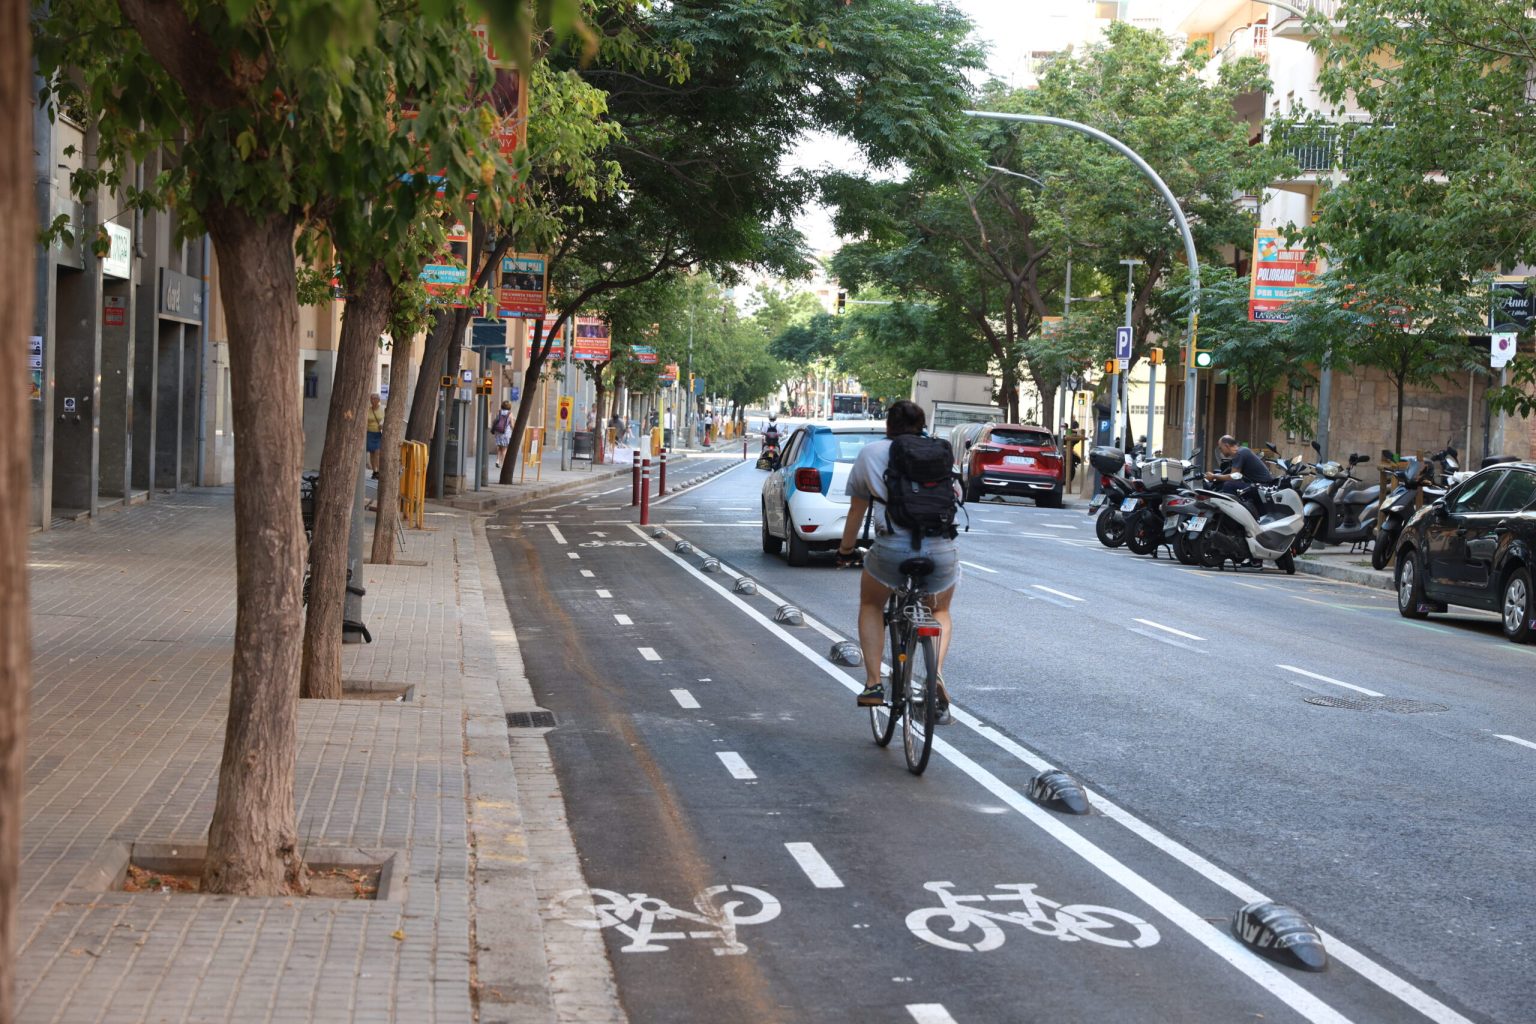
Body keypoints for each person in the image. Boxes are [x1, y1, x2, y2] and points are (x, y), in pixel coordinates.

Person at [836, 400, 960, 725]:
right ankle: (935, 677)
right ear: (922, 425)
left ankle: (874, 683)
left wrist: (846, 551)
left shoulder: (871, 453)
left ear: (888, 425)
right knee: (941, 610)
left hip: (891, 548)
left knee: (872, 603)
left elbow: (856, 510)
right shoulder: (940, 452)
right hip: (940, 547)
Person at [365, 393, 385, 478]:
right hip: (369, 433)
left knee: (377, 452)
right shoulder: (368, 410)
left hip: (378, 434)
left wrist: (382, 424)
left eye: (374, 399)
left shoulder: (382, 409)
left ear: (378, 400)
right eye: (371, 399)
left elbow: (385, 418)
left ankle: (379, 470)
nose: (372, 400)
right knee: (372, 453)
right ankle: (374, 471)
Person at [492, 400, 513, 467]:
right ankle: (503, 464)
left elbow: (495, 421)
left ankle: (497, 460)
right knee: (504, 449)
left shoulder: (499, 412)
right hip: (505, 433)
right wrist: (513, 431)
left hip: (498, 432)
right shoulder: (510, 414)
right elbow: (511, 424)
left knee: (499, 447)